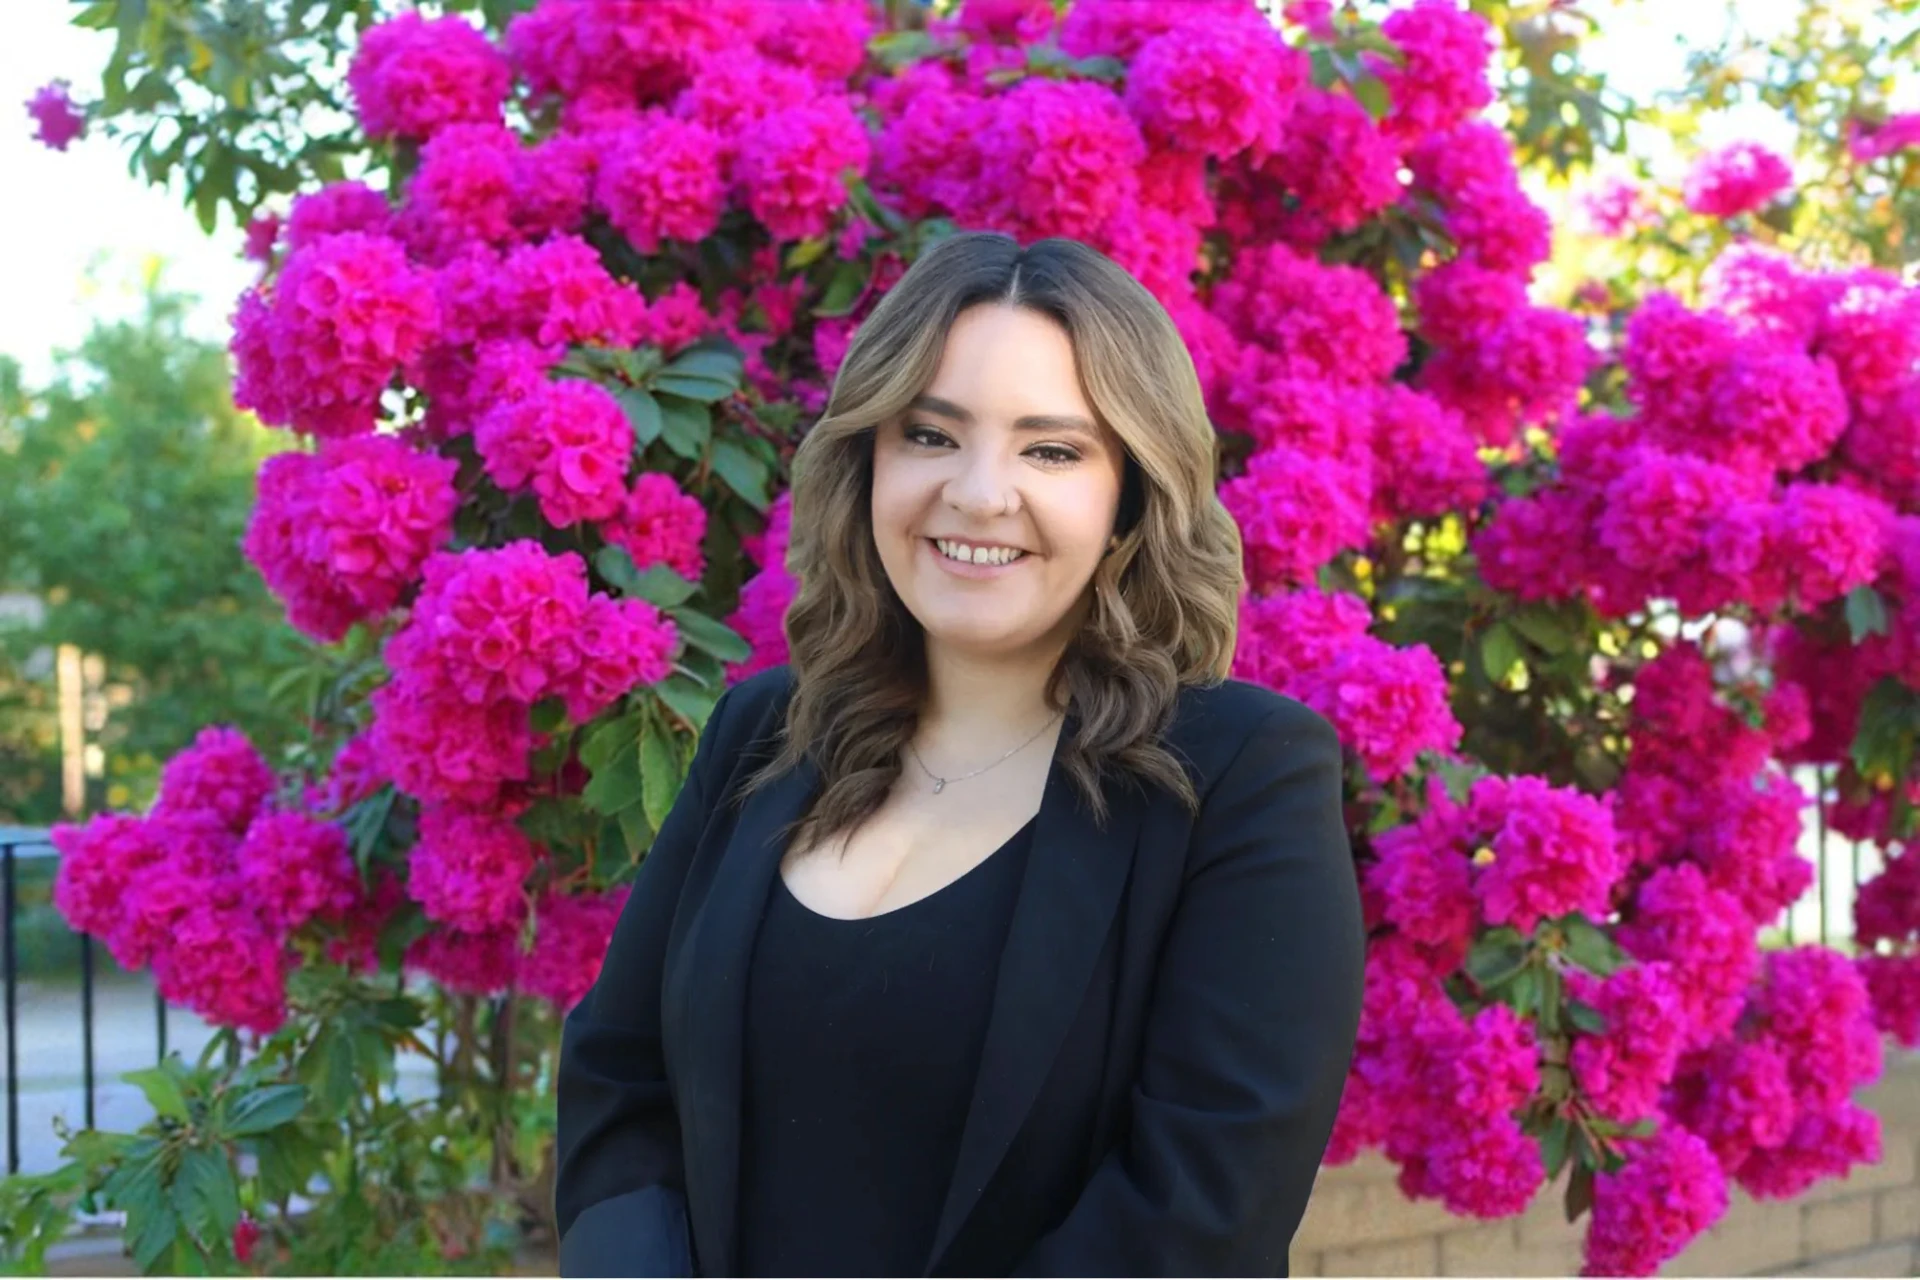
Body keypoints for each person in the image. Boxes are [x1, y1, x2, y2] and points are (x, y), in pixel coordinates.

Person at [555, 231, 1366, 1278]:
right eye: (931, 434)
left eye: (1052, 449)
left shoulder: (1242, 782)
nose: (980, 494)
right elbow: (621, 1085)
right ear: (869, 457)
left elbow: (1193, 1215)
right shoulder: (761, 735)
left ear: (1130, 495)